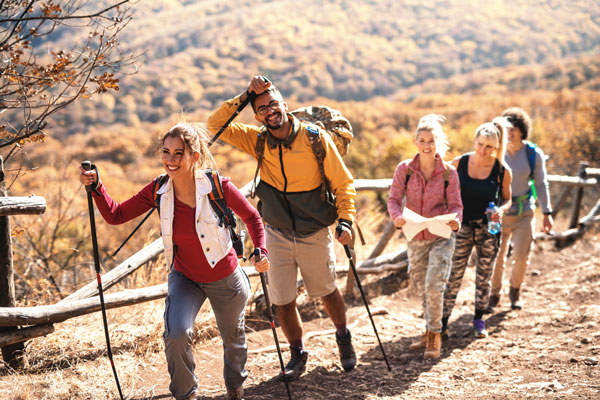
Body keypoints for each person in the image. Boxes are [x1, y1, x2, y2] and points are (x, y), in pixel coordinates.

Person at [79, 123, 269, 400]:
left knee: (233, 339)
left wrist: (260, 251)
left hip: (225, 277)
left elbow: (253, 217)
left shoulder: (218, 186)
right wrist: (97, 186)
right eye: (166, 152)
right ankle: (186, 394)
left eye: (178, 153)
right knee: (176, 334)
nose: (170, 160)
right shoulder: (158, 189)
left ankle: (235, 389)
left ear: (195, 156)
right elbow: (116, 215)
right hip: (185, 277)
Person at [207, 76, 357, 380]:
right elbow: (214, 125)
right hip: (275, 231)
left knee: (327, 291)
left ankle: (343, 336)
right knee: (283, 300)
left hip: (314, 229)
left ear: (285, 105)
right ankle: (297, 353)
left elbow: (343, 184)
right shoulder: (257, 139)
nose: (269, 111)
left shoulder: (315, 139)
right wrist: (246, 94)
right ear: (257, 115)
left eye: (273, 104)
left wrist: (345, 220)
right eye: (262, 108)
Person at [387, 114, 463, 359]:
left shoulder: (449, 173)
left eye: (431, 140)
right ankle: (427, 331)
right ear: (416, 142)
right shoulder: (405, 169)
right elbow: (393, 199)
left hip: (441, 235)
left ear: (438, 142)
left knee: (434, 284)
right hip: (415, 235)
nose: (427, 145)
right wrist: (396, 217)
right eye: (422, 140)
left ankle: (435, 337)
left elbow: (457, 205)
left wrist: (456, 220)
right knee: (421, 285)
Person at [441, 119, 513, 339]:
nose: (483, 150)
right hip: (460, 227)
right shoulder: (458, 163)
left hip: (488, 229)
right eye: (480, 144)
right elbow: (442, 188)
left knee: (484, 275)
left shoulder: (502, 170)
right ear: (475, 141)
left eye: (489, 147)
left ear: (496, 148)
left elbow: (508, 199)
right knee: (453, 274)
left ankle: (479, 320)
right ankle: (442, 322)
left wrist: (501, 210)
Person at [489, 107, 553, 311]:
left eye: (514, 128)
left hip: (524, 211)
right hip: (499, 213)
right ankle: (493, 294)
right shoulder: (495, 152)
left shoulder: (533, 154)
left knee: (521, 256)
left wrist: (547, 213)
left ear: (522, 130)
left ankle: (515, 291)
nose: (510, 132)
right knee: (496, 258)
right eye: (506, 128)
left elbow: (541, 184)